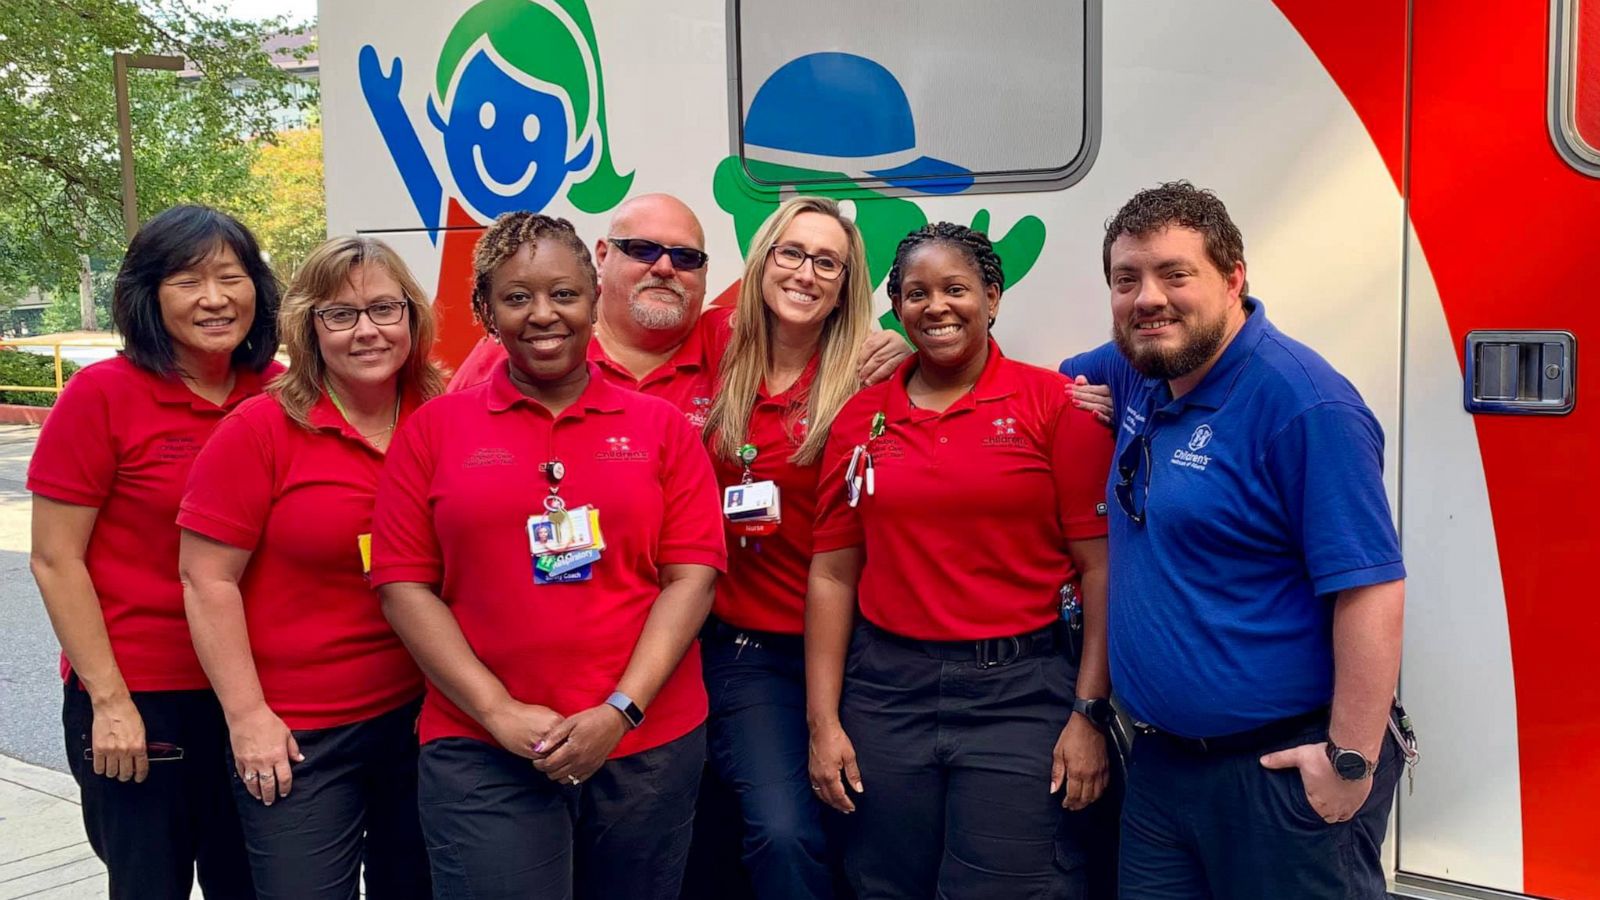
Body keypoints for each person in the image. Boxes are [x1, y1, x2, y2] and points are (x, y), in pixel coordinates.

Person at [1059, 182, 1407, 899]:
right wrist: (889, 355)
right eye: (1127, 280)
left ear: (1233, 278)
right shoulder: (1142, 366)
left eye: (1174, 274)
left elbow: (1372, 589)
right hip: (1161, 767)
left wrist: (1349, 761)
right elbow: (1029, 386)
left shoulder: (1305, 404)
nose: (1148, 298)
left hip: (1279, 774)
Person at [371, 212, 725, 900]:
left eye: (564, 294)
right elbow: (403, 586)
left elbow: (693, 578)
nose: (543, 315)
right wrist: (497, 711)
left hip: (644, 746)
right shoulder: (435, 431)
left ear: (595, 301)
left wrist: (620, 710)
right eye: (516, 297)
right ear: (485, 312)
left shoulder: (660, 430)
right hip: (481, 747)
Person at [807, 223, 1115, 899]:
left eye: (956, 289)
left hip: (1022, 694)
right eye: (916, 293)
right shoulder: (860, 420)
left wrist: (1088, 713)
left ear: (993, 298)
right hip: (887, 694)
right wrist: (823, 723)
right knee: (885, 883)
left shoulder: (1054, 408)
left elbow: (1101, 572)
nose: (936, 306)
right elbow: (832, 574)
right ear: (898, 308)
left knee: (1010, 884)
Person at [177, 237, 445, 899]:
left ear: (412, 316)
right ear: (309, 326)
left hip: (424, 718)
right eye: (341, 315)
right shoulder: (260, 429)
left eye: (384, 309)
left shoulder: (443, 420)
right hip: (298, 738)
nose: (367, 331)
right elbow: (205, 579)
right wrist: (248, 718)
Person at [27, 205, 281, 900]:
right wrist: (109, 700)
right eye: (187, 280)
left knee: (255, 883)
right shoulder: (102, 396)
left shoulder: (281, 391)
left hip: (258, 697)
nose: (214, 298)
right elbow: (55, 559)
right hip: (141, 701)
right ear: (147, 294)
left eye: (231, 277)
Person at [699, 196, 875, 900]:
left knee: (869, 827)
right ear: (764, 260)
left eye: (825, 261)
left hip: (865, 652)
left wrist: (1088, 391)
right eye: (791, 253)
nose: (805, 272)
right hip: (751, 653)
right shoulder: (714, 344)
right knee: (782, 833)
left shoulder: (869, 371)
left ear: (843, 285)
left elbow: (973, 375)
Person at [447, 192, 910, 406]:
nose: (664, 268)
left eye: (685, 257)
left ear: (704, 275)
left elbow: (816, 327)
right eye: (643, 250)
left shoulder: (731, 340)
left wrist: (896, 350)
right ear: (602, 257)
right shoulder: (531, 343)